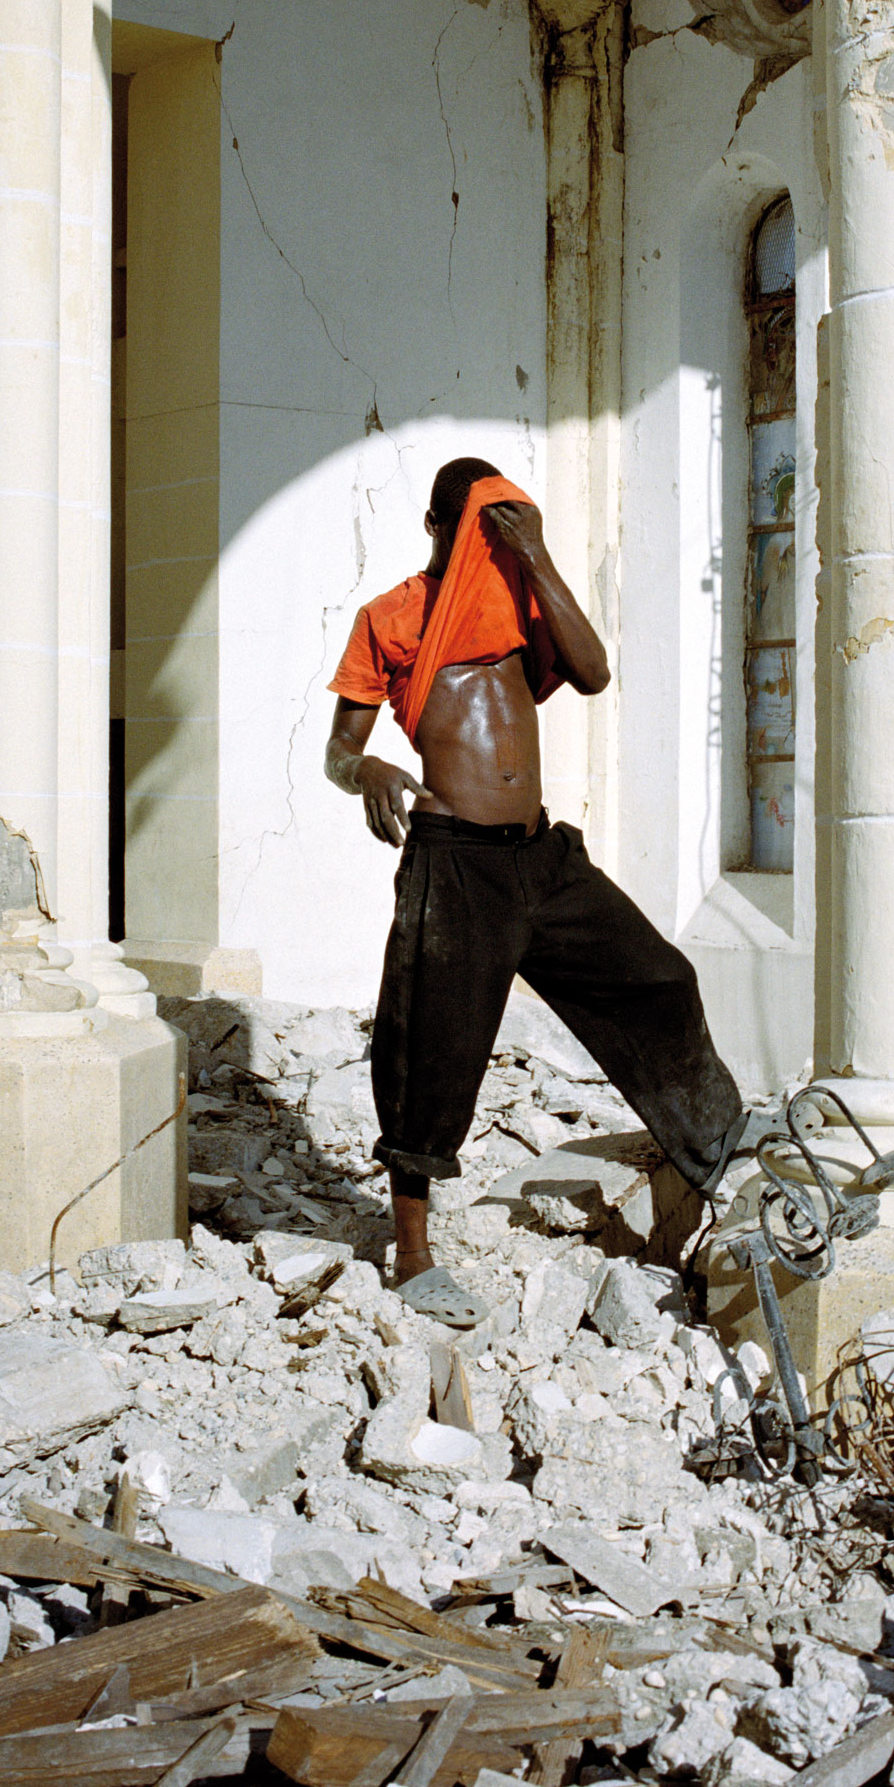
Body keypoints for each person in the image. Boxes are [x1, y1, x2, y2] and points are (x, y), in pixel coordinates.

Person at [324, 456, 747, 1325]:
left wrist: (540, 557)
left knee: (661, 979)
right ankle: (411, 1255)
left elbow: (591, 673)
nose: (489, 549)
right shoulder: (391, 617)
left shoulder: (521, 602)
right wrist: (366, 768)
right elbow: (338, 751)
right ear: (437, 527)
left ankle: (719, 1146)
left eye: (503, 531)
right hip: (454, 862)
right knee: (430, 1052)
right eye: (478, 532)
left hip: (541, 858)